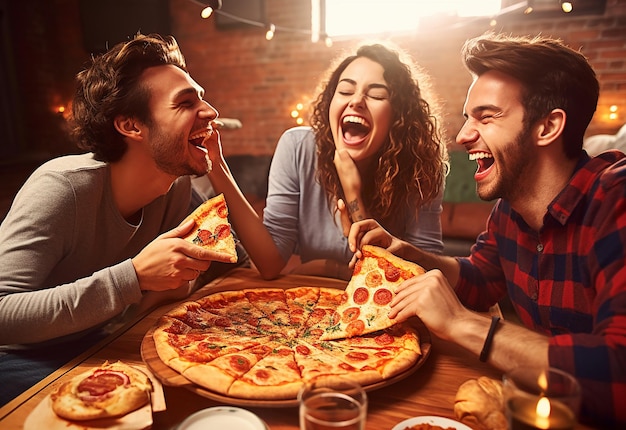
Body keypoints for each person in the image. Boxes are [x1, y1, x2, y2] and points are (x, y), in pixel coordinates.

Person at [346, 33, 626, 427]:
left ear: (548, 126)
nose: (462, 135)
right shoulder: (510, 211)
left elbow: (618, 373)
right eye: (466, 117)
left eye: (486, 116)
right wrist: (410, 256)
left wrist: (464, 323)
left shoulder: (616, 199)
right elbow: (480, 278)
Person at [0, 34, 245, 405]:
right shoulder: (61, 189)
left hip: (105, 340)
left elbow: (232, 261)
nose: (211, 112)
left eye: (202, 97)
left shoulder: (175, 188)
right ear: (132, 126)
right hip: (22, 359)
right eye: (185, 103)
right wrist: (134, 277)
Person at [206, 43, 448, 281]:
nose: (356, 101)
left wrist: (354, 198)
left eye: (376, 95)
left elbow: (424, 276)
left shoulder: (421, 165)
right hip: (311, 306)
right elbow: (270, 263)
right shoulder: (297, 147)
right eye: (345, 91)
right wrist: (216, 165)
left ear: (399, 117)